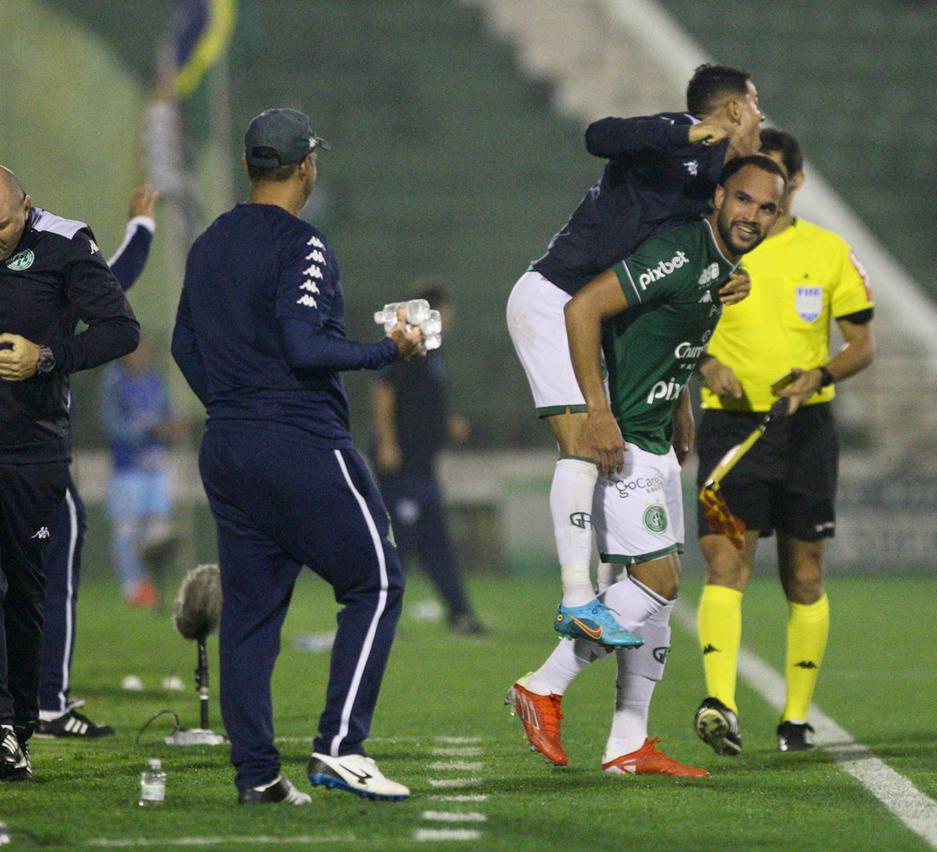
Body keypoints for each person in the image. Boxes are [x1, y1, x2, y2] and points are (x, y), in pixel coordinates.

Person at [171, 109, 422, 804]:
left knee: (249, 620)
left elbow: (183, 346)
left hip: (228, 446)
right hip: (299, 440)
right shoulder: (302, 242)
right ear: (306, 165)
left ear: (254, 165)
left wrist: (234, 403)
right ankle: (342, 745)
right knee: (376, 584)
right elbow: (305, 348)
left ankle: (257, 778)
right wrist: (387, 351)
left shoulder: (210, 242)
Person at [507, 155, 786, 776]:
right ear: (718, 196)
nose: (753, 216)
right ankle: (543, 688)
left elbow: (669, 338)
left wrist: (683, 406)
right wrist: (597, 411)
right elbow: (583, 309)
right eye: (743, 200)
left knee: (657, 597)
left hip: (657, 434)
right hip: (624, 437)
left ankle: (626, 743)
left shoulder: (721, 267)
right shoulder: (682, 251)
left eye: (767, 208)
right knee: (658, 582)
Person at [506, 63, 763, 646]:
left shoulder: (714, 187)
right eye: (755, 105)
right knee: (582, 439)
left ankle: (598, 583)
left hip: (589, 315)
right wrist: (685, 131)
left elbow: (670, 287)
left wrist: (728, 282)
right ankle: (576, 599)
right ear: (731, 112)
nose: (762, 117)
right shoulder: (677, 139)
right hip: (554, 300)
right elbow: (598, 136)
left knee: (605, 450)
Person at [691, 129, 875, 756]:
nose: (761, 204)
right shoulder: (708, 246)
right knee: (726, 561)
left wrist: (819, 374)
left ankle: (795, 719)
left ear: (793, 184)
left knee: (804, 572)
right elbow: (668, 318)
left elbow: (862, 345)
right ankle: (720, 702)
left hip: (805, 429)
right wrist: (704, 361)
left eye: (776, 186)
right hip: (729, 426)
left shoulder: (827, 252)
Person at [0, 165, 140, 781]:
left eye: (1, 225)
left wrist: (48, 359)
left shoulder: (64, 242)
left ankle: (20, 725)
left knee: (24, 592)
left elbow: (120, 330)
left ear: (27, 206)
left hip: (31, 450)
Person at [36, 185, 158, 740]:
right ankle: (45, 702)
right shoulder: (41, 268)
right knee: (56, 560)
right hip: (29, 448)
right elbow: (110, 287)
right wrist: (142, 228)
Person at [371, 283, 485, 636]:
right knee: (399, 541)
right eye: (446, 310)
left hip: (423, 464)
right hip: (401, 465)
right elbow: (383, 391)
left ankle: (459, 614)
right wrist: (387, 443)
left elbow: (421, 401)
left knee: (436, 542)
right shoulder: (408, 345)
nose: (450, 318)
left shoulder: (434, 353)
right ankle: (378, 615)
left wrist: (446, 424)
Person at [98, 338, 182, 604]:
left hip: (155, 464)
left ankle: (154, 582)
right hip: (127, 467)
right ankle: (132, 586)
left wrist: (172, 427)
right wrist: (148, 430)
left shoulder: (154, 380)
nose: (143, 353)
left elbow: (166, 412)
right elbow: (112, 425)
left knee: (158, 526)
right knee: (127, 528)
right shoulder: (113, 380)